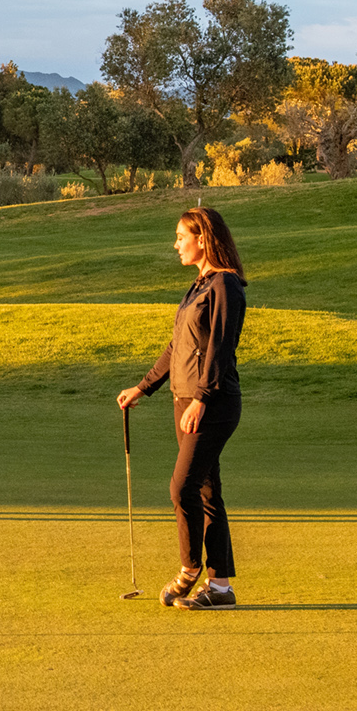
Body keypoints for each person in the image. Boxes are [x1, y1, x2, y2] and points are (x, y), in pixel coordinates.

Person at [117, 207, 246, 610]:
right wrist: (142, 387)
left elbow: (220, 349)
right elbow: (178, 347)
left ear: (203, 238)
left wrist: (203, 400)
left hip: (213, 403)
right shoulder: (199, 286)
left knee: (182, 487)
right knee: (207, 491)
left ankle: (190, 571)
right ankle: (220, 587)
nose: (175, 245)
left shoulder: (226, 286)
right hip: (184, 400)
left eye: (180, 237)